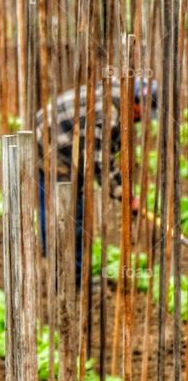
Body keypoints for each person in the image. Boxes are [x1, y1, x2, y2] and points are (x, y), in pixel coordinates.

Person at [35, 78, 157, 282]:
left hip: (56, 136)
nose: (142, 118)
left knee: (56, 205)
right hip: (54, 143)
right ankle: (71, 275)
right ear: (136, 102)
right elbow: (102, 164)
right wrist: (126, 196)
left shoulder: (117, 99)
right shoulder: (108, 112)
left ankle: (59, 263)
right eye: (142, 111)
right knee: (73, 211)